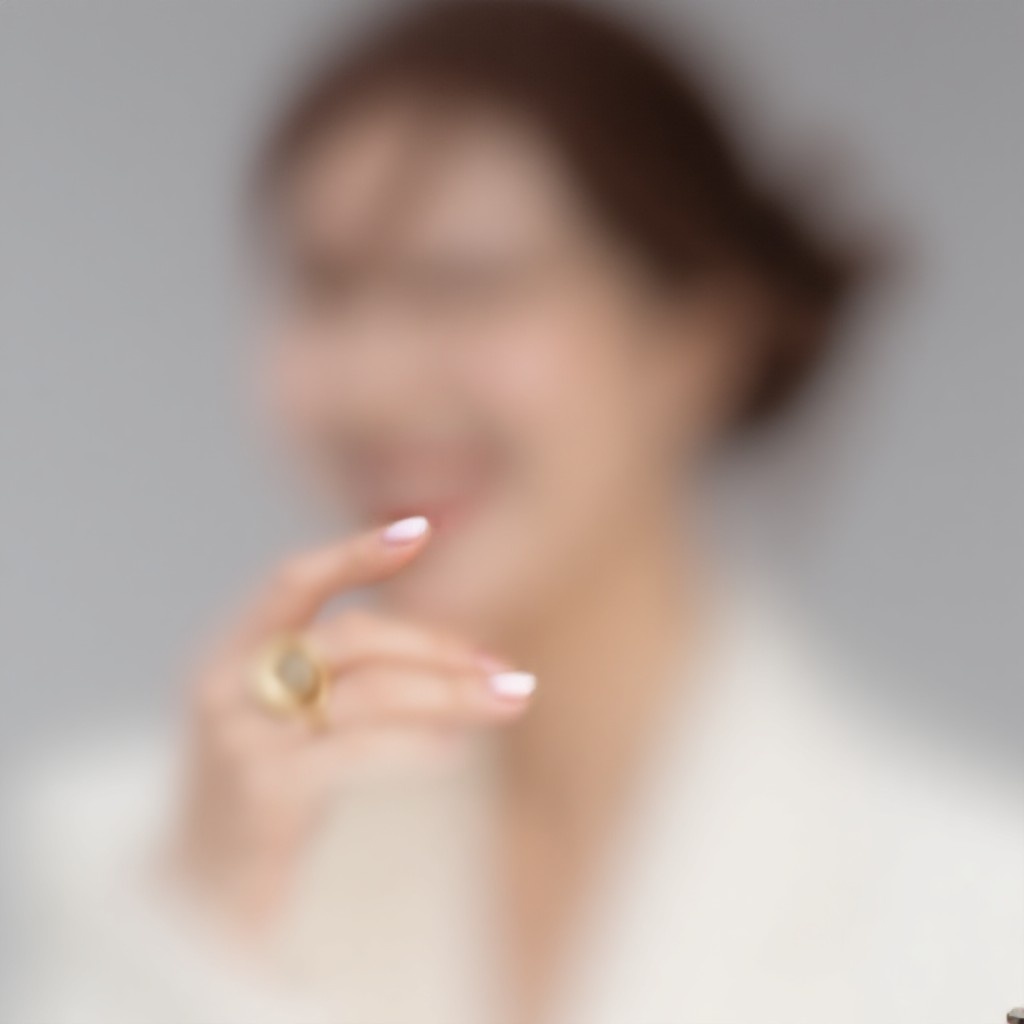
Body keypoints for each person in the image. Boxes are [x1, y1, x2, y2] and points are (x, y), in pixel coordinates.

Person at [8, 2, 1021, 1022]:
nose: (373, 384)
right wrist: (192, 937)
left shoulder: (977, 919)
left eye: (465, 285)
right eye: (323, 291)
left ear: (697, 342)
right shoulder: (130, 856)